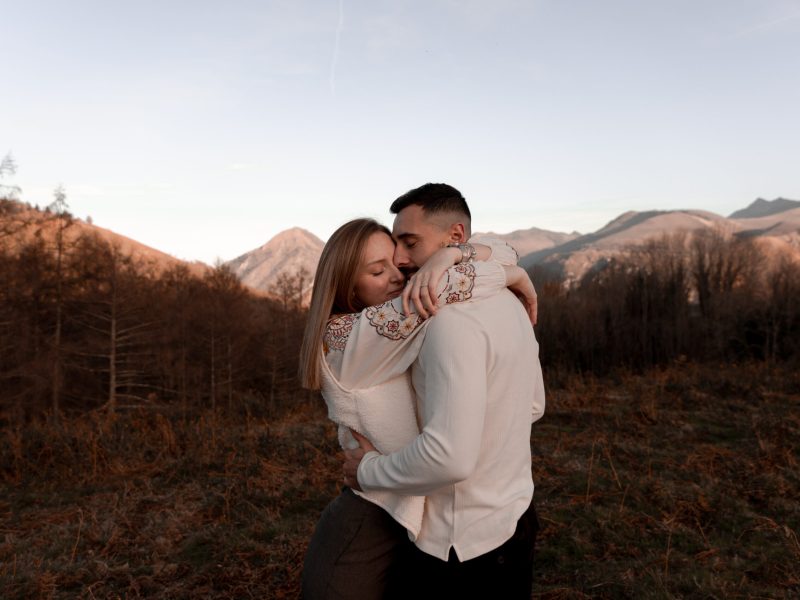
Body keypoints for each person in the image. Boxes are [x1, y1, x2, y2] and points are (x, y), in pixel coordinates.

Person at [299, 216, 536, 599]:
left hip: (399, 496)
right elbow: (455, 286)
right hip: (368, 516)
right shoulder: (349, 336)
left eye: (395, 263)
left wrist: (457, 254)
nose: (399, 276)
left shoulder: (388, 323)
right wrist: (512, 276)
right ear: (348, 289)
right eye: (378, 271)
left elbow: (500, 249)